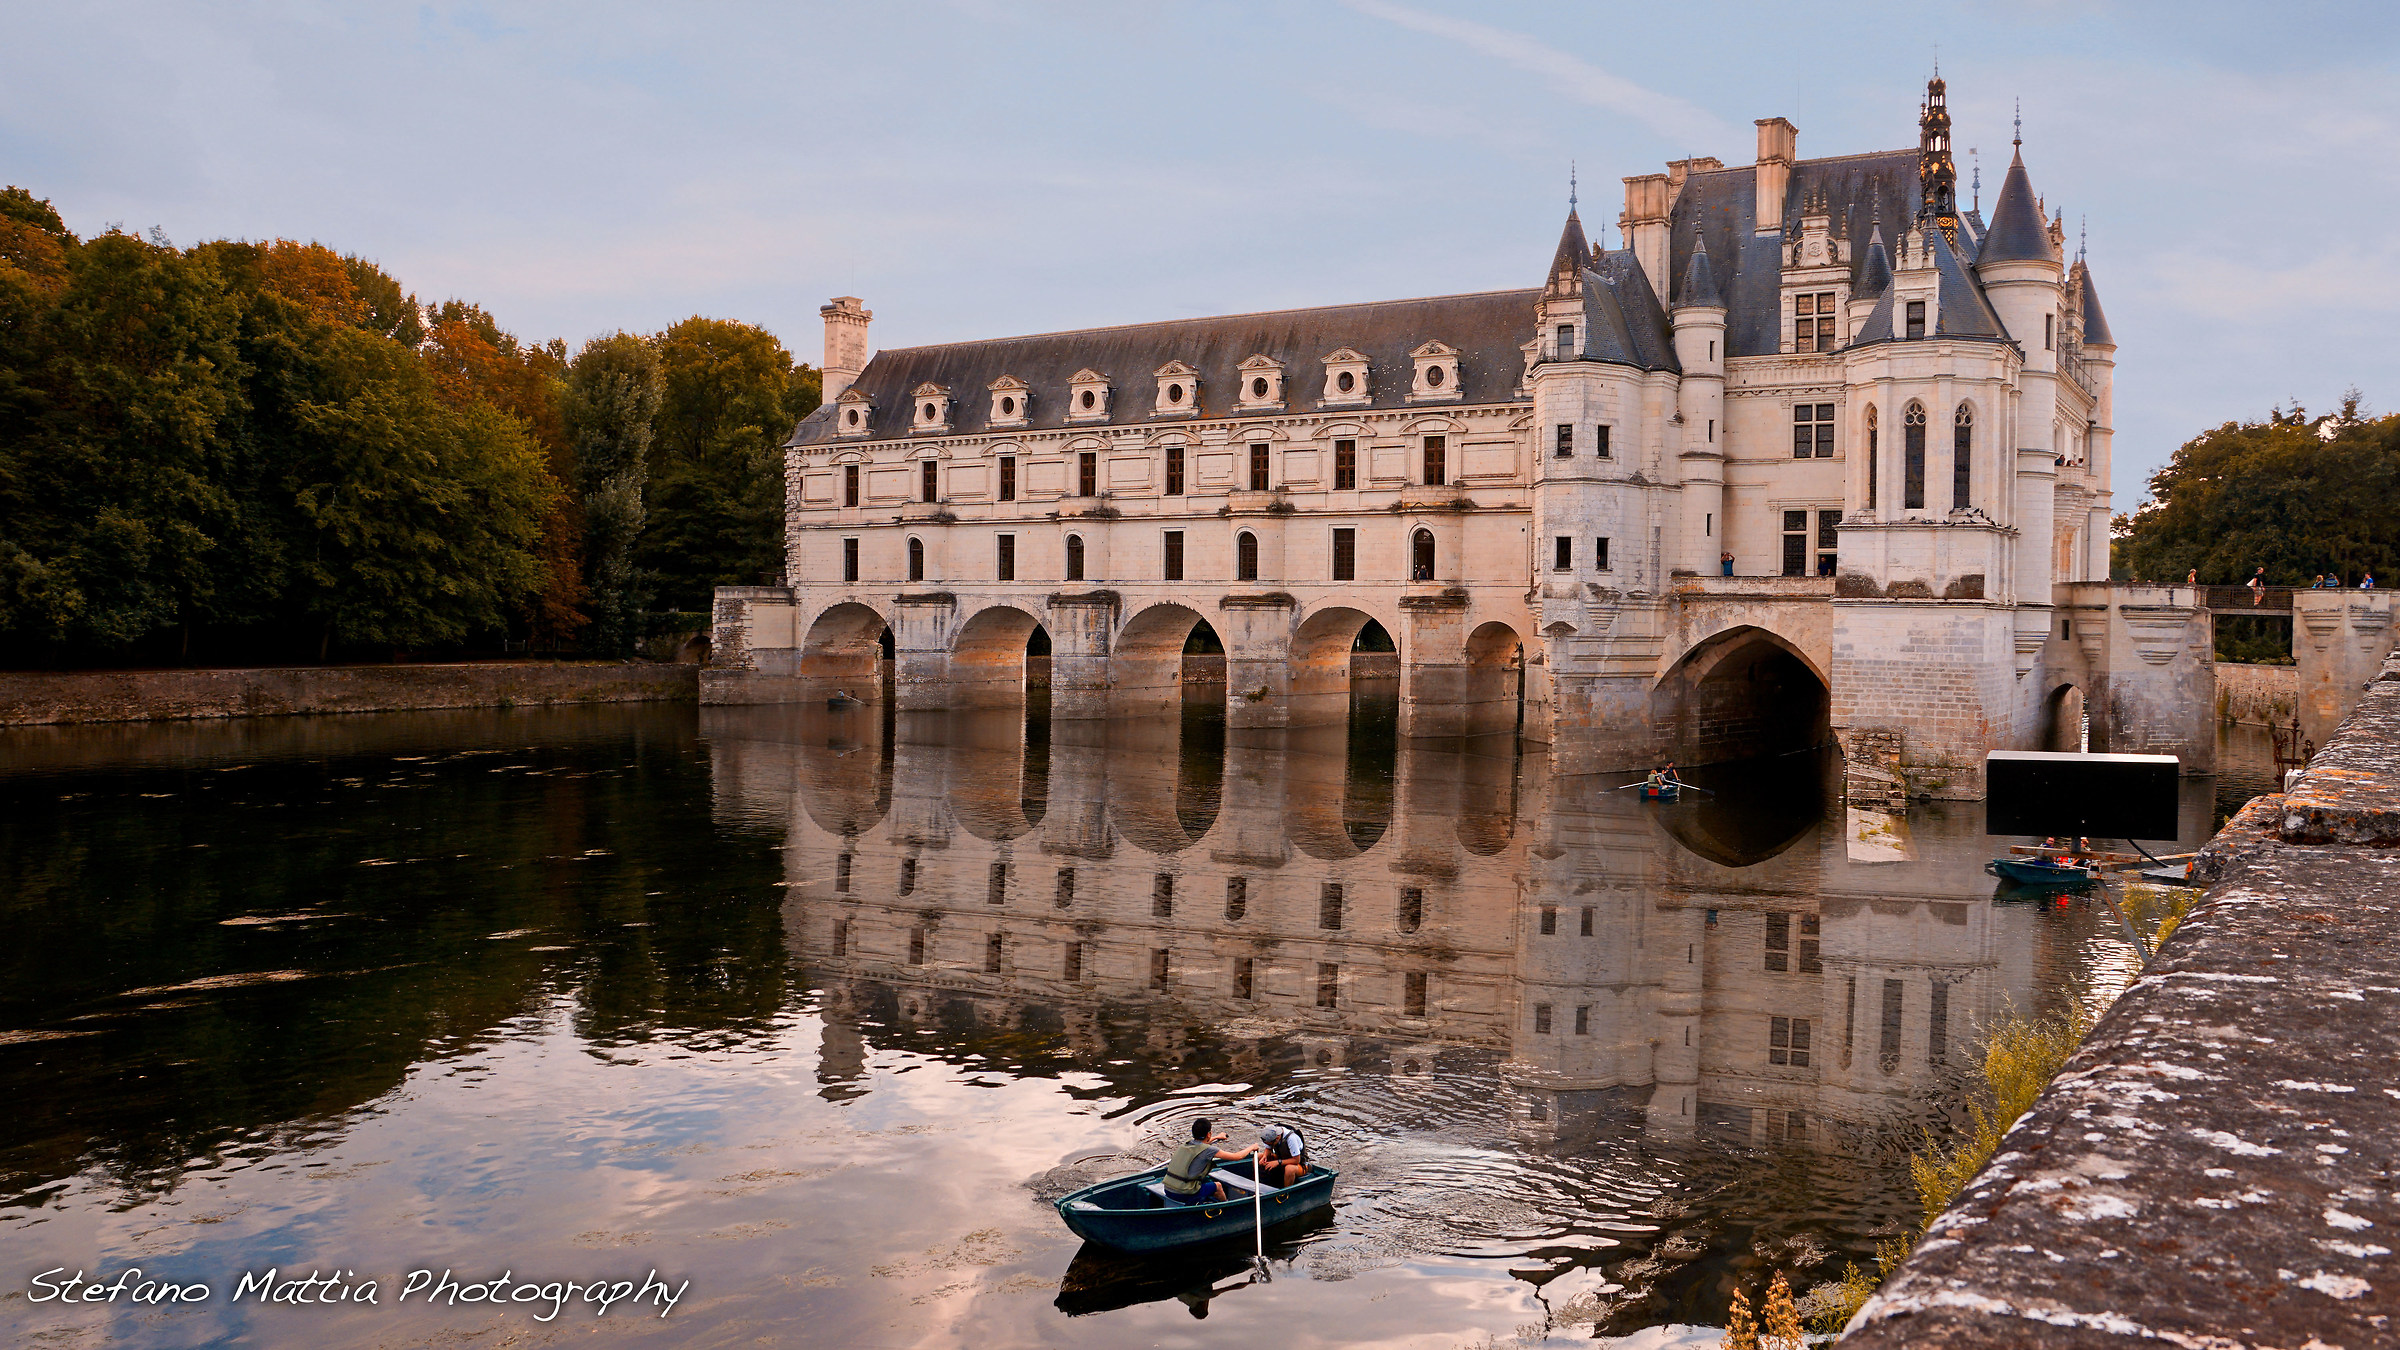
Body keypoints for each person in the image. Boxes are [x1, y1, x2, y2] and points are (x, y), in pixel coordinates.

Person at [1162, 1117, 1258, 1206]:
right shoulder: (1209, 1150)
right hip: (1182, 1194)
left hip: (1168, 1189)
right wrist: (1252, 1147)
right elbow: (1237, 1156)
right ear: (1208, 1134)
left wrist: (1217, 1137)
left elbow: (1201, 1144)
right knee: (1218, 1186)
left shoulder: (1187, 1144)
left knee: (1207, 1180)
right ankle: (1226, 1207)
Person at [1257, 1123, 1309, 1188]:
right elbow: (1268, 1148)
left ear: (1277, 1138)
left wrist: (1278, 1162)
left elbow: (1296, 1160)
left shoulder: (1291, 1138)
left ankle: (1285, 1193)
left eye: (1271, 1144)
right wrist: (1265, 1156)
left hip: (1299, 1164)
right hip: (1281, 1159)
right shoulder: (1272, 1134)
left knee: (1289, 1169)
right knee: (1258, 1157)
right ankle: (1260, 1185)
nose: (1271, 1146)